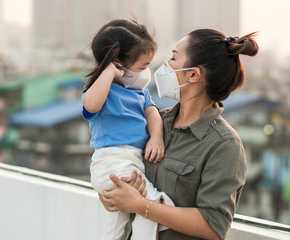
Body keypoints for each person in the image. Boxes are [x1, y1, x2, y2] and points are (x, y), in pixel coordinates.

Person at [99, 29, 259, 240]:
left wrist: (142, 206)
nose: (166, 64)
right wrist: (113, 195)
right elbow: (119, 161)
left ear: (193, 74)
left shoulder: (224, 145)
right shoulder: (153, 122)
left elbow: (213, 226)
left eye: (174, 57)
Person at [82, 19, 174, 240]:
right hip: (113, 161)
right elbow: (90, 105)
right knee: (150, 203)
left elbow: (152, 112)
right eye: (143, 67)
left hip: (129, 160)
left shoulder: (139, 92)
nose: (146, 73)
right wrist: (108, 74)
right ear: (118, 65)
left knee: (117, 225)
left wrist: (156, 138)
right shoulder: (103, 90)